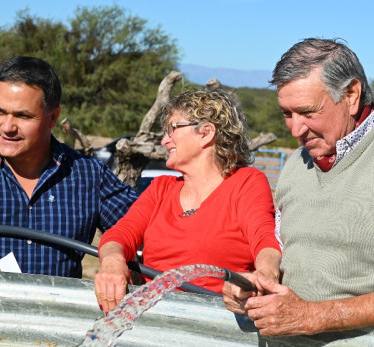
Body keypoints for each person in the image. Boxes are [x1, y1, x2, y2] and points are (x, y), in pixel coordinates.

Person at [223, 38, 374, 336]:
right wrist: (260, 281)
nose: (295, 129)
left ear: (351, 95)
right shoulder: (297, 163)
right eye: (287, 114)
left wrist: (313, 316)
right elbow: (284, 245)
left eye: (307, 111)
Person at [0, 56, 138, 282]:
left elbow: (143, 226)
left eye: (23, 116)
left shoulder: (89, 174)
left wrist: (113, 254)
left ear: (53, 118)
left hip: (58, 316)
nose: (7, 127)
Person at [94, 88, 281, 313]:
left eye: (172, 129)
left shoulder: (246, 182)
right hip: (154, 318)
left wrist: (264, 276)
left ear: (206, 132)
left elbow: (264, 239)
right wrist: (113, 262)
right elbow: (120, 234)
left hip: (216, 319)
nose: (164, 141)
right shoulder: (160, 188)